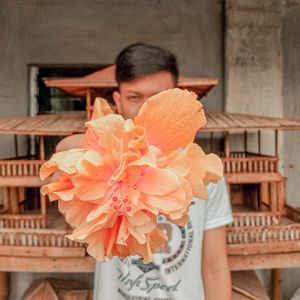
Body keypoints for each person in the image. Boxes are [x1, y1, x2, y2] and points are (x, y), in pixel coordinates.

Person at [57, 43, 233, 300]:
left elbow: (215, 267)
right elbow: (61, 154)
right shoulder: (97, 160)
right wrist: (109, 145)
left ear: (174, 96)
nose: (145, 109)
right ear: (118, 100)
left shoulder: (205, 173)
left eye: (157, 98)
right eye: (134, 97)